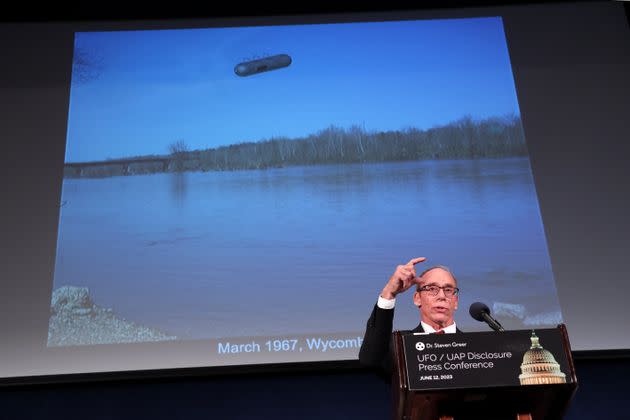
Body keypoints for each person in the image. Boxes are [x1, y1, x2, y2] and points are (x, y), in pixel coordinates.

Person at [358, 257, 460, 377]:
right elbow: (370, 359)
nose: (442, 296)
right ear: (417, 298)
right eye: (432, 289)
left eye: (448, 290)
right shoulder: (400, 347)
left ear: (456, 301)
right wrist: (389, 293)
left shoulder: (476, 345)